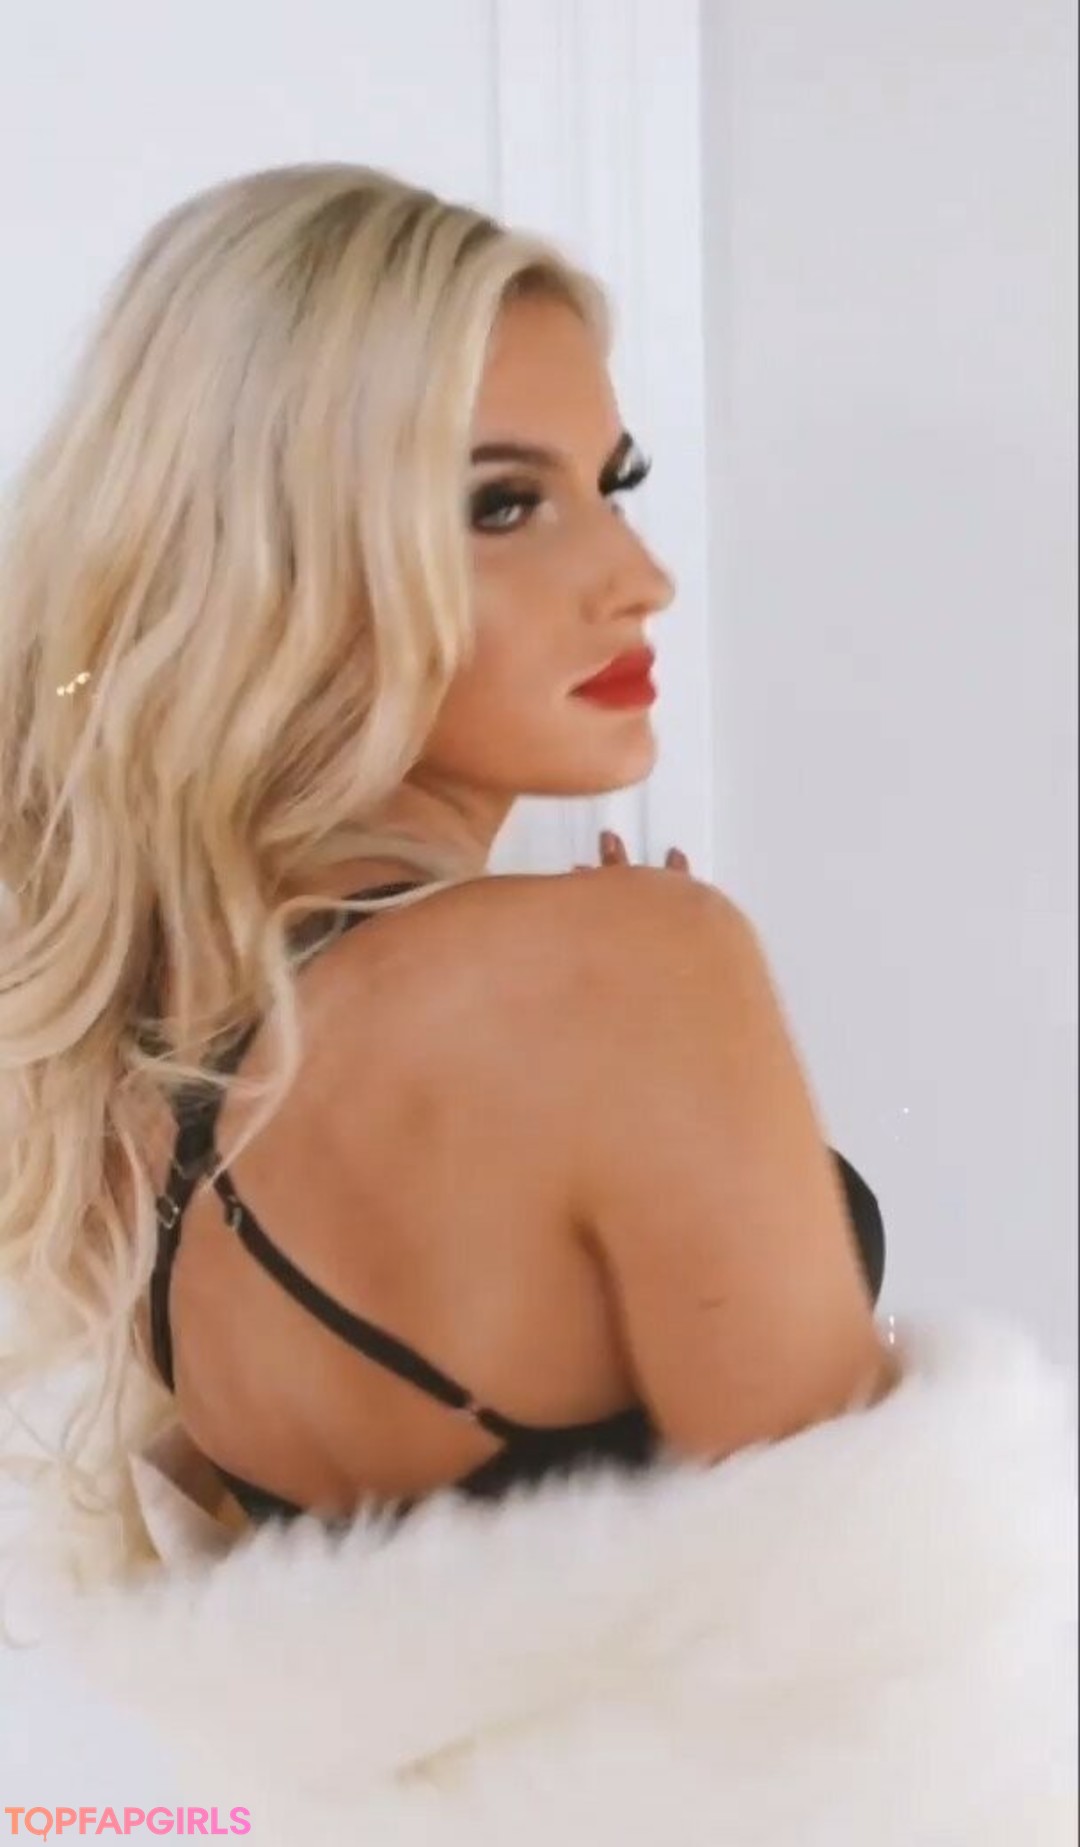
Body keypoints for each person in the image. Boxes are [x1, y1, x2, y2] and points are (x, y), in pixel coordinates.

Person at [0, 161, 896, 1576]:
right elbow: (865, 1631)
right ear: (277, 560)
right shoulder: (628, 965)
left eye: (613, 486)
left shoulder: (147, 1096)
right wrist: (646, 990)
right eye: (502, 506)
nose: (641, 577)